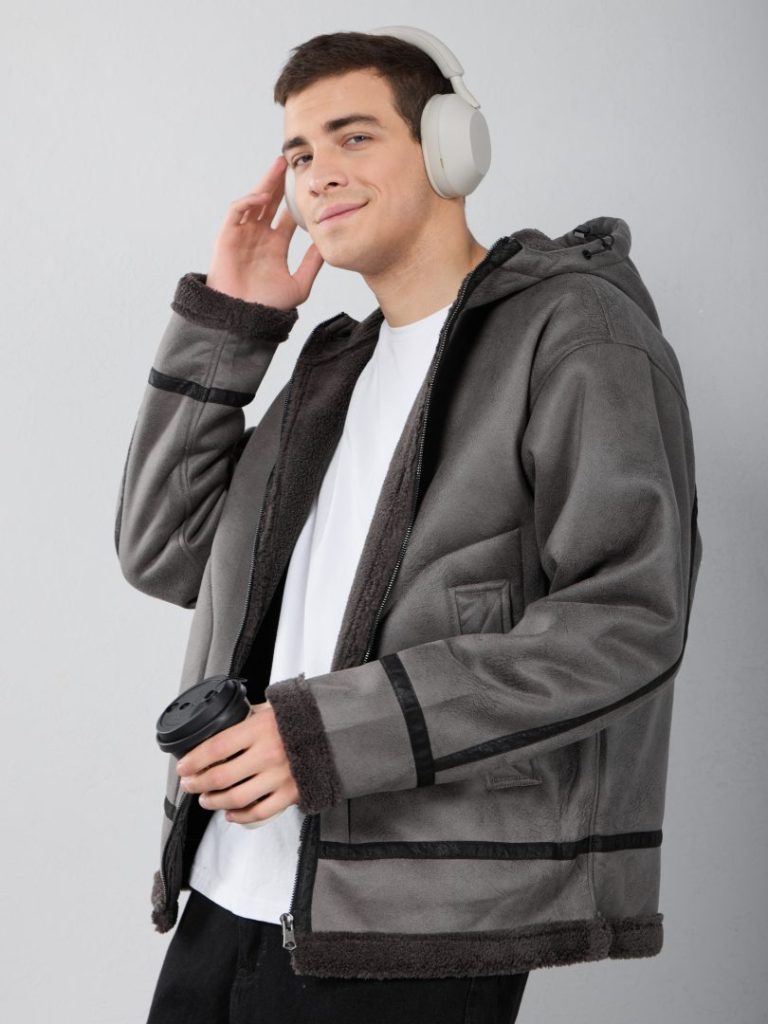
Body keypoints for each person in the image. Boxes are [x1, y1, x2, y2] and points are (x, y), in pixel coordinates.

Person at [115, 26, 703, 1024]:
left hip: (417, 926)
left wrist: (321, 737)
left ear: (450, 147)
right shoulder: (333, 367)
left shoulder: (578, 335)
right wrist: (232, 325)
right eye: (299, 153)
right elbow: (167, 552)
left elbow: (627, 620)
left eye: (353, 137)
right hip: (226, 896)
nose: (317, 175)